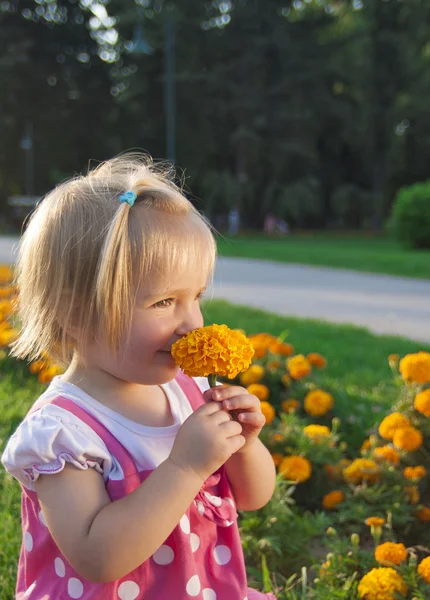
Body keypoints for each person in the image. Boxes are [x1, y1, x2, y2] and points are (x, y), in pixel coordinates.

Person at [1, 153, 277, 600]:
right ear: (76, 314)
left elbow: (252, 497)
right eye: (164, 302)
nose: (192, 323)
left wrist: (246, 444)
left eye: (196, 297)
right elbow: (98, 558)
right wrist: (185, 468)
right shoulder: (63, 434)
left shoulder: (187, 391)